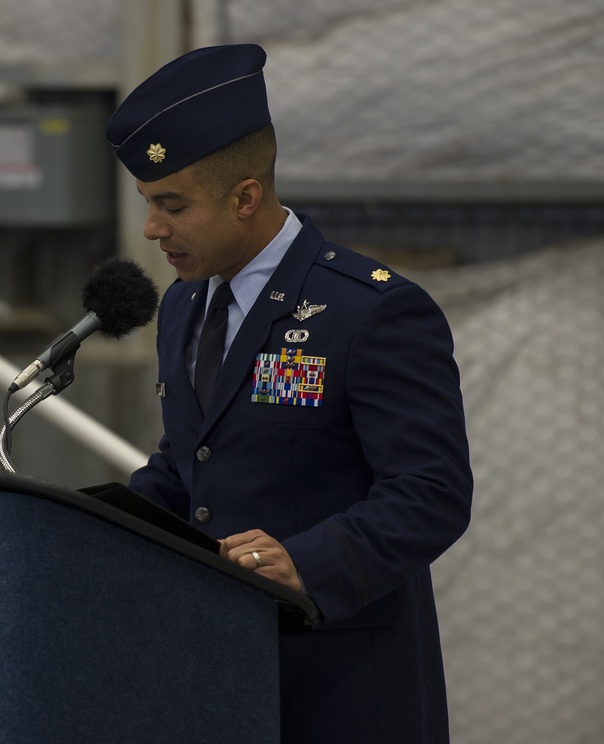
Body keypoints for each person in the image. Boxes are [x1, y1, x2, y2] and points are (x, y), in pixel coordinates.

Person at [106, 44, 472, 744]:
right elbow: (194, 466)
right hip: (216, 677)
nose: (152, 228)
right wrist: (96, 523)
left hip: (342, 690)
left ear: (245, 197)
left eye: (171, 205)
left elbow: (432, 491)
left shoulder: (370, 312)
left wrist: (307, 560)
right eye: (149, 204)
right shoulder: (184, 306)